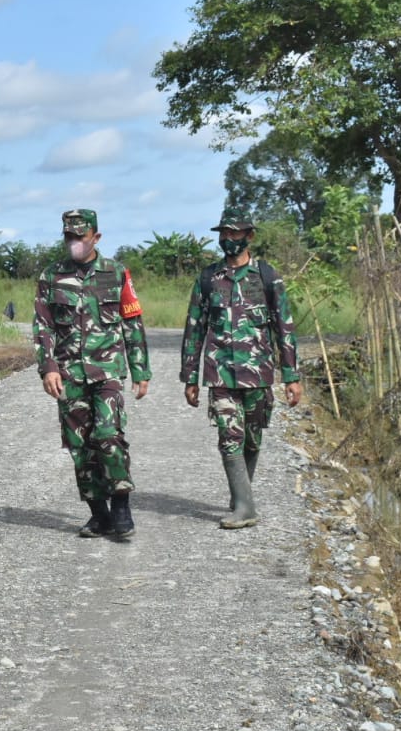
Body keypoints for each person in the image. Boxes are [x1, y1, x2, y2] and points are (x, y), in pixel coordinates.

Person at [180, 206, 302, 529]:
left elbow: (284, 327)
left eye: (235, 233)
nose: (229, 239)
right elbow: (194, 329)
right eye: (224, 233)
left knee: (252, 437)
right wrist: (190, 377)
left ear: (249, 236)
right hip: (219, 372)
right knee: (228, 435)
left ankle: (240, 495)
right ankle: (246, 507)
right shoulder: (208, 279)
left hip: (258, 373)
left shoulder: (267, 276)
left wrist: (291, 376)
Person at [33, 208, 151, 539]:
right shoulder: (51, 276)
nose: (73, 243)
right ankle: (99, 514)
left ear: (95, 237)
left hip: (108, 372)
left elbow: (132, 323)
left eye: (79, 237)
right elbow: (43, 327)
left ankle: (122, 505)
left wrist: (141, 370)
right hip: (69, 374)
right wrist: (48, 367)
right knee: (79, 446)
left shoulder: (116, 273)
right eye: (68, 237)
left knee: (109, 436)